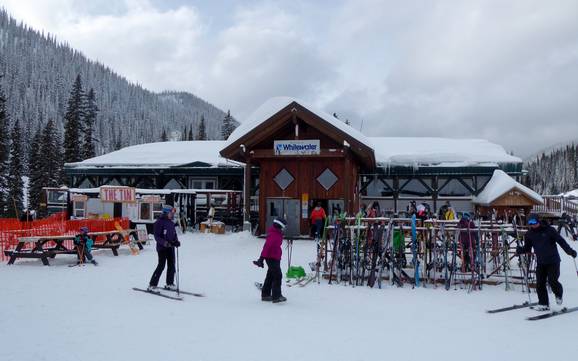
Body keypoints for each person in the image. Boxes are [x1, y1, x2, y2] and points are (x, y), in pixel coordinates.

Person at [517, 214, 577, 311]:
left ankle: (558, 294)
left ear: (538, 221)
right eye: (530, 223)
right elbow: (527, 248)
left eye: (534, 222)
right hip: (541, 262)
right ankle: (543, 303)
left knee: (552, 281)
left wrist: (570, 251)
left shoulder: (549, 230)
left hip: (553, 261)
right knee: (540, 283)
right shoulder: (529, 234)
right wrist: (520, 250)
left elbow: (561, 241)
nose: (533, 225)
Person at [253, 217, 287, 303]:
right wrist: (261, 259)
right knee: (277, 276)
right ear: (279, 226)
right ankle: (276, 296)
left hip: (275, 257)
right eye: (283, 226)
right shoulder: (273, 234)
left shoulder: (277, 233)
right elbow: (266, 247)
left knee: (271, 275)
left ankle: (265, 294)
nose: (284, 228)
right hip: (271, 258)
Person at [148, 206, 181, 292]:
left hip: (170, 247)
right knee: (161, 265)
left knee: (172, 265)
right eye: (171, 213)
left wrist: (176, 241)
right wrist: (164, 243)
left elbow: (174, 234)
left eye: (173, 213)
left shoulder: (170, 222)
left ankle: (169, 283)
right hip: (162, 248)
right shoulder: (159, 222)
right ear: (166, 213)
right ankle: (152, 285)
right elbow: (157, 236)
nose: (172, 214)